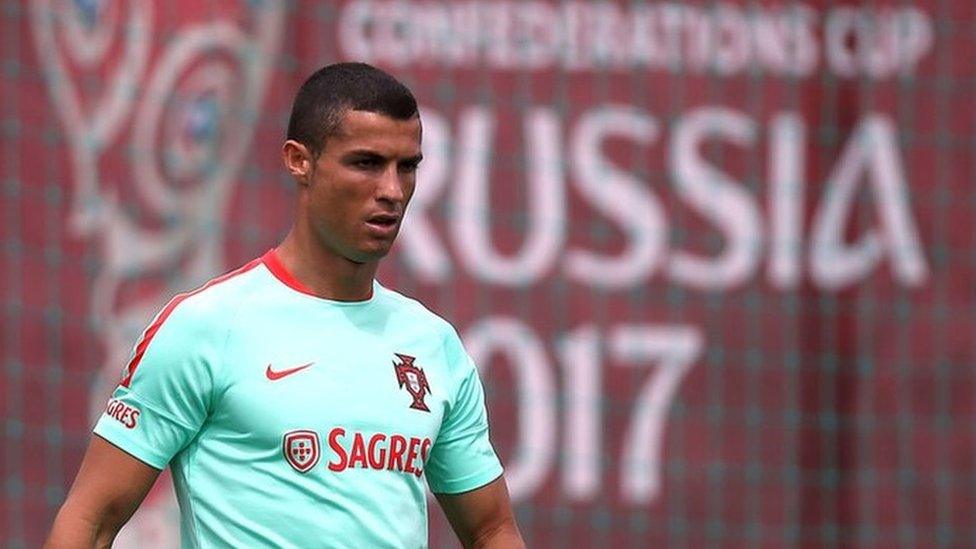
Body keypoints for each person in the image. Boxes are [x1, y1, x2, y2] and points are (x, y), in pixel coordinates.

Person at [46, 62, 524, 548]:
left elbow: (492, 529)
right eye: (366, 163)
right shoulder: (209, 326)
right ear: (300, 161)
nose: (392, 191)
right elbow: (91, 519)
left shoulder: (433, 344)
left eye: (408, 166)